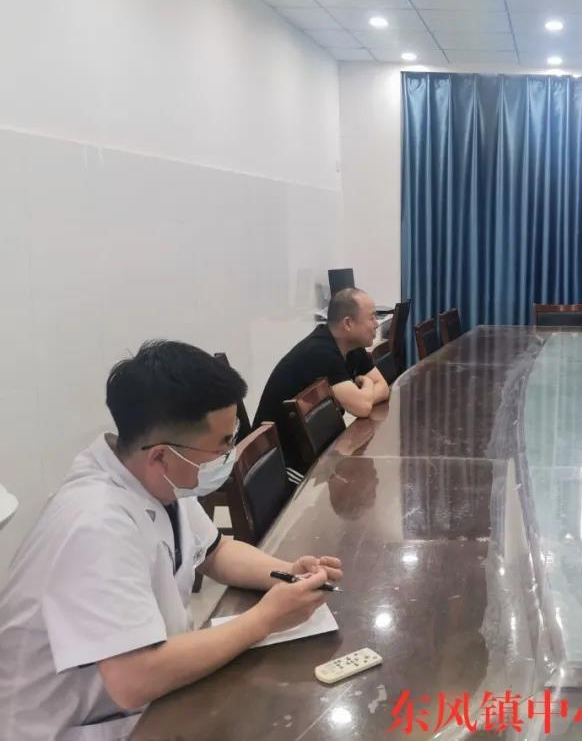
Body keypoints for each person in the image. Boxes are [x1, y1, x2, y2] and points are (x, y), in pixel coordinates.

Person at [0, 341, 344, 740]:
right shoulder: (94, 523)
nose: (229, 455)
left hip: (142, 699)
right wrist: (265, 619)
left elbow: (217, 552)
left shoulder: (156, 478)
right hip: (69, 727)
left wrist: (286, 573)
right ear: (162, 455)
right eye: (222, 444)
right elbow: (133, 678)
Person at [254, 287, 390, 463]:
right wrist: (368, 384)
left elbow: (384, 388)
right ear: (348, 324)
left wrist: (365, 392)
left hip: (311, 450)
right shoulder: (320, 352)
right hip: (278, 461)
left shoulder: (352, 346)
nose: (376, 324)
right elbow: (362, 407)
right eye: (371, 318)